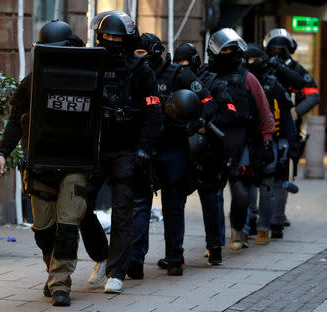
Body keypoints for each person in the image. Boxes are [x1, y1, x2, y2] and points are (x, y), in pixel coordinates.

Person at [0, 20, 108, 307]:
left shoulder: (89, 77)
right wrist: (1, 153)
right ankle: (53, 271)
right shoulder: (32, 82)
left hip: (75, 165)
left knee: (68, 227)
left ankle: (60, 284)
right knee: (44, 231)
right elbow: (15, 121)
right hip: (40, 164)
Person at [129, 33, 219, 276]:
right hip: (144, 147)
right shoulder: (133, 72)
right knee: (140, 203)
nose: (139, 59)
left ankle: (175, 259)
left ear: (157, 52)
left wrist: (194, 124)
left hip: (173, 147)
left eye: (143, 54)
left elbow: (209, 102)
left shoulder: (178, 74)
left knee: (173, 202)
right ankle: (135, 261)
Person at [87, 11, 162, 293]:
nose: (112, 41)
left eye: (118, 37)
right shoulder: (91, 62)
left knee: (122, 213)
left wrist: (144, 147)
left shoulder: (141, 68)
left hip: (126, 150)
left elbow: (154, 111)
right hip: (94, 148)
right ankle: (101, 255)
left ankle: (117, 272)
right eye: (107, 36)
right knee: (81, 205)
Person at [207, 28, 275, 250]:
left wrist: (266, 139)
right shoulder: (206, 76)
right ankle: (215, 241)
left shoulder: (248, 78)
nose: (226, 53)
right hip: (212, 139)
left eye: (230, 49)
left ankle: (237, 228)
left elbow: (264, 111)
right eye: (223, 49)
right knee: (213, 195)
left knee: (242, 194)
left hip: (241, 140)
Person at [173, 42, 238, 265]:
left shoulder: (213, 82)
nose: (184, 67)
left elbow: (229, 110)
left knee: (211, 199)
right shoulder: (174, 79)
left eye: (186, 62)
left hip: (209, 149)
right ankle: (175, 254)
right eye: (179, 63)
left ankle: (215, 248)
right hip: (182, 148)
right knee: (176, 201)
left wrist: (206, 124)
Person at [264, 28, 320, 227]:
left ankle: (277, 214)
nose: (277, 52)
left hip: (288, 128)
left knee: (284, 171)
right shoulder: (266, 68)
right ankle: (267, 213)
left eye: (281, 48)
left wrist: (296, 111)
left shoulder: (296, 71)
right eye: (274, 48)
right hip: (266, 126)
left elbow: (313, 93)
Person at [243, 43, 298, 243]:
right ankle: (249, 223)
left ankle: (267, 226)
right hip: (249, 140)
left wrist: (291, 144)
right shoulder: (241, 80)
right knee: (248, 183)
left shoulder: (273, 82)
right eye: (251, 60)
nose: (255, 64)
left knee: (269, 183)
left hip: (272, 140)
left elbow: (286, 116)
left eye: (258, 60)